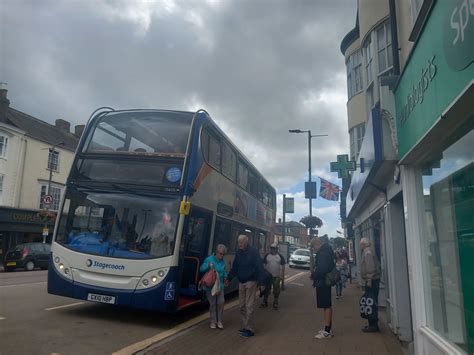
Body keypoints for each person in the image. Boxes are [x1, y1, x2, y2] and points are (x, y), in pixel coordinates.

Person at [225, 234, 264, 338]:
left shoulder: (254, 252)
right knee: (241, 305)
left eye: (241, 242)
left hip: (251, 281)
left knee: (249, 306)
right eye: (238, 242)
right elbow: (235, 267)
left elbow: (259, 267)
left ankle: (249, 328)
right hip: (241, 282)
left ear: (246, 242)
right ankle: (245, 325)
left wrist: (261, 283)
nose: (239, 244)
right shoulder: (238, 252)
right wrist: (229, 278)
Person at [311, 235, 335, 339]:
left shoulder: (322, 253)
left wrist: (313, 275)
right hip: (324, 282)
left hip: (323, 282)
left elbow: (322, 269)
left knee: (326, 305)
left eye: (313, 247)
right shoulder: (326, 251)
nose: (313, 249)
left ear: (317, 244)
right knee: (327, 305)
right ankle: (327, 328)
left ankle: (327, 331)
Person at [200, 244, 228, 329]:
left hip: (220, 286)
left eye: (223, 254)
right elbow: (201, 269)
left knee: (221, 302)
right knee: (212, 304)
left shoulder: (223, 261)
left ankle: (219, 321)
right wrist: (208, 266)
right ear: (216, 252)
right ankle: (213, 321)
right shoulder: (209, 259)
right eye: (220, 253)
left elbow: (224, 271)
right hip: (210, 286)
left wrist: (226, 277)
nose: (221, 256)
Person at [359, 237, 381, 332]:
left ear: (364, 244)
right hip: (372, 280)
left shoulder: (367, 252)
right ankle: (372, 324)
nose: (360, 246)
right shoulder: (368, 251)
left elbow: (371, 267)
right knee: (371, 301)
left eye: (361, 244)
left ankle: (373, 325)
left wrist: (369, 280)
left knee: (370, 302)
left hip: (372, 281)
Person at [261, 243, 285, 309]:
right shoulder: (267, 255)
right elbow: (263, 264)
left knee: (276, 290)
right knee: (266, 289)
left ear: (276, 249)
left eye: (274, 248)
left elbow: (283, 265)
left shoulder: (280, 256)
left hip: (276, 276)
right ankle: (265, 301)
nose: (272, 250)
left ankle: (275, 302)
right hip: (267, 276)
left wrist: (282, 275)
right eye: (271, 248)